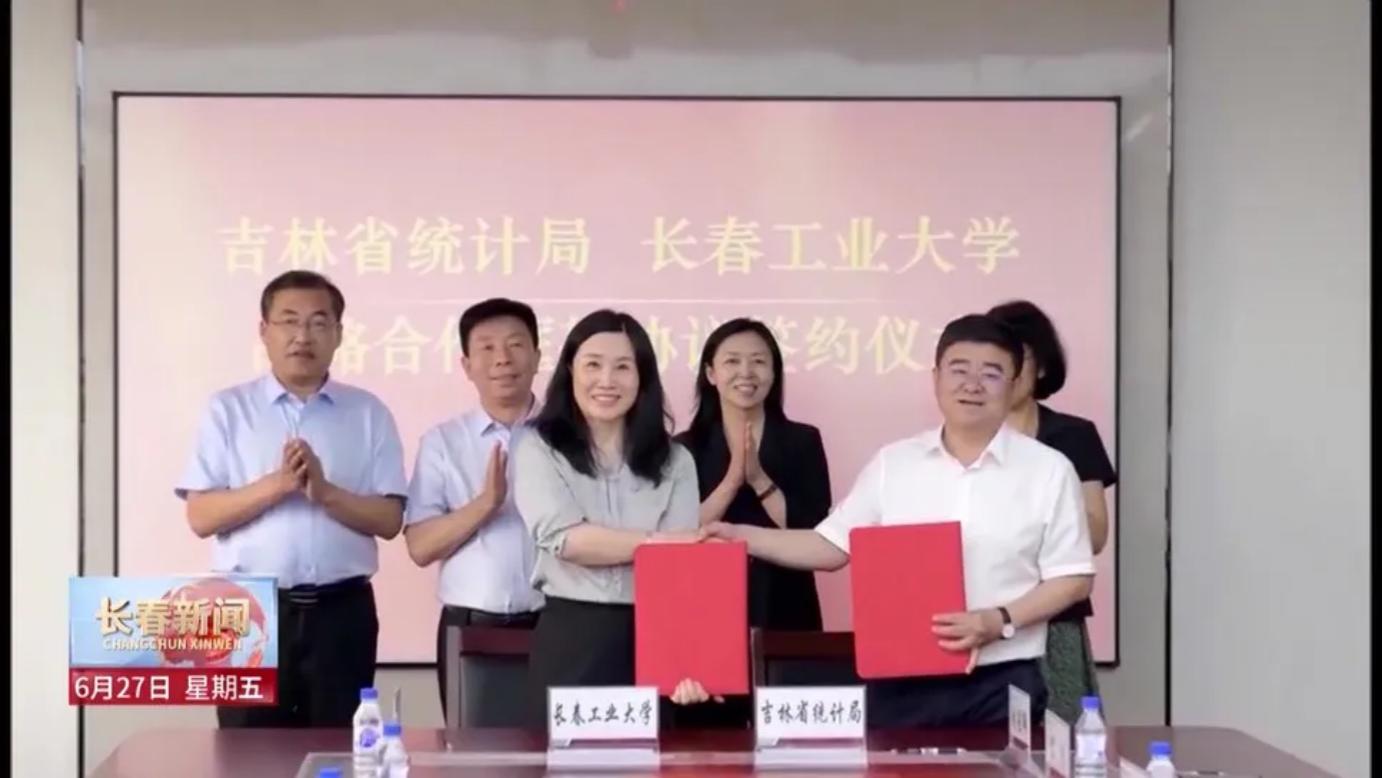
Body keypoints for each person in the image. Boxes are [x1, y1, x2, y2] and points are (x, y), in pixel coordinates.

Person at [690, 313, 1096, 728]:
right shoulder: (895, 463)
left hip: (1002, 679)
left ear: (1013, 384)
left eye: (991, 374)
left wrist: (1000, 620)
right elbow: (830, 546)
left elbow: (1073, 577)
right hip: (899, 682)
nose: (972, 384)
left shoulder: (1048, 470)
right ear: (936, 378)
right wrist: (739, 534)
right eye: (959, 370)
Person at [176, 270, 407, 729]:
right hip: (247, 611)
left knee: (339, 748)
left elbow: (390, 519)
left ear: (339, 334)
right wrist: (278, 485)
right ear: (264, 331)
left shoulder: (368, 412)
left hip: (342, 612)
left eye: (319, 323)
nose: (303, 335)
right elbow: (200, 516)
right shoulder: (227, 409)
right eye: (289, 321)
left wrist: (324, 493)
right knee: (247, 752)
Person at [512, 309, 705, 729]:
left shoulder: (676, 460)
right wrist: (657, 543)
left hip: (656, 635)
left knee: (654, 758)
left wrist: (688, 658)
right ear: (570, 371)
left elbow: (680, 567)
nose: (606, 380)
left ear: (642, 378)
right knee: (565, 760)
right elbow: (567, 540)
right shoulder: (537, 448)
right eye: (593, 365)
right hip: (573, 636)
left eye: (622, 367)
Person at [671, 318, 831, 730]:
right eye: (732, 361)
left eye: (759, 361)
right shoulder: (683, 449)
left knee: (792, 734)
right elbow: (677, 534)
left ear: (774, 373)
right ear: (710, 373)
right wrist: (731, 481)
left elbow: (814, 531)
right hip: (706, 609)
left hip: (787, 602)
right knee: (709, 737)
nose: (746, 372)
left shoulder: (802, 441)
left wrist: (759, 479)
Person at [403, 298, 544, 721]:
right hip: (468, 628)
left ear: (537, 357)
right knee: (472, 749)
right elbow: (420, 547)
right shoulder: (442, 442)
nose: (502, 358)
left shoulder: (569, 437)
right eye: (486, 347)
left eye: (515, 344)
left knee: (561, 749)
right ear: (466, 365)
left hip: (558, 626)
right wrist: (485, 505)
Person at [988, 299, 1117, 723]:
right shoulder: (966, 439)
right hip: (982, 616)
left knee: (1064, 735)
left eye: (1017, 359)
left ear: (1041, 367)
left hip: (1055, 617)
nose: (1004, 372)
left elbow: (1094, 535)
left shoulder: (1072, 435)